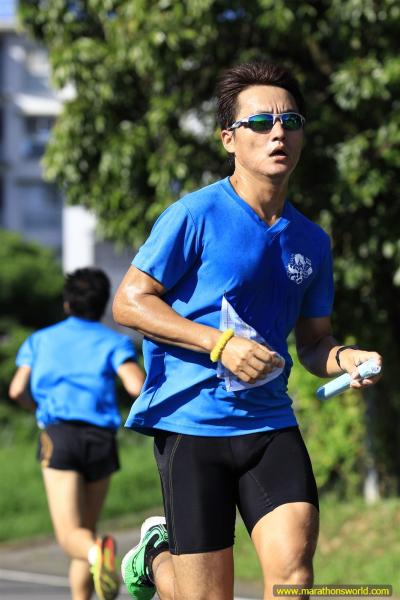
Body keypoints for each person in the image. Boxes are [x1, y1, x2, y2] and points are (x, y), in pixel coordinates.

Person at [112, 61, 382, 600]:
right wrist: (221, 344)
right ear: (228, 139)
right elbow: (130, 302)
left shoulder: (311, 241)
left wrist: (346, 357)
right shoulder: (194, 215)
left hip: (269, 424)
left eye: (290, 120)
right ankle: (155, 555)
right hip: (191, 426)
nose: (278, 132)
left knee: (294, 579)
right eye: (260, 122)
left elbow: (314, 343)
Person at [9, 267, 145, 600]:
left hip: (60, 436)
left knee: (73, 536)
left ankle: (99, 552)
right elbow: (135, 386)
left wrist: (36, 407)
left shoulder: (40, 340)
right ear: (102, 304)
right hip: (101, 440)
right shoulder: (114, 342)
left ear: (67, 303)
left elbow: (17, 390)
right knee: (86, 531)